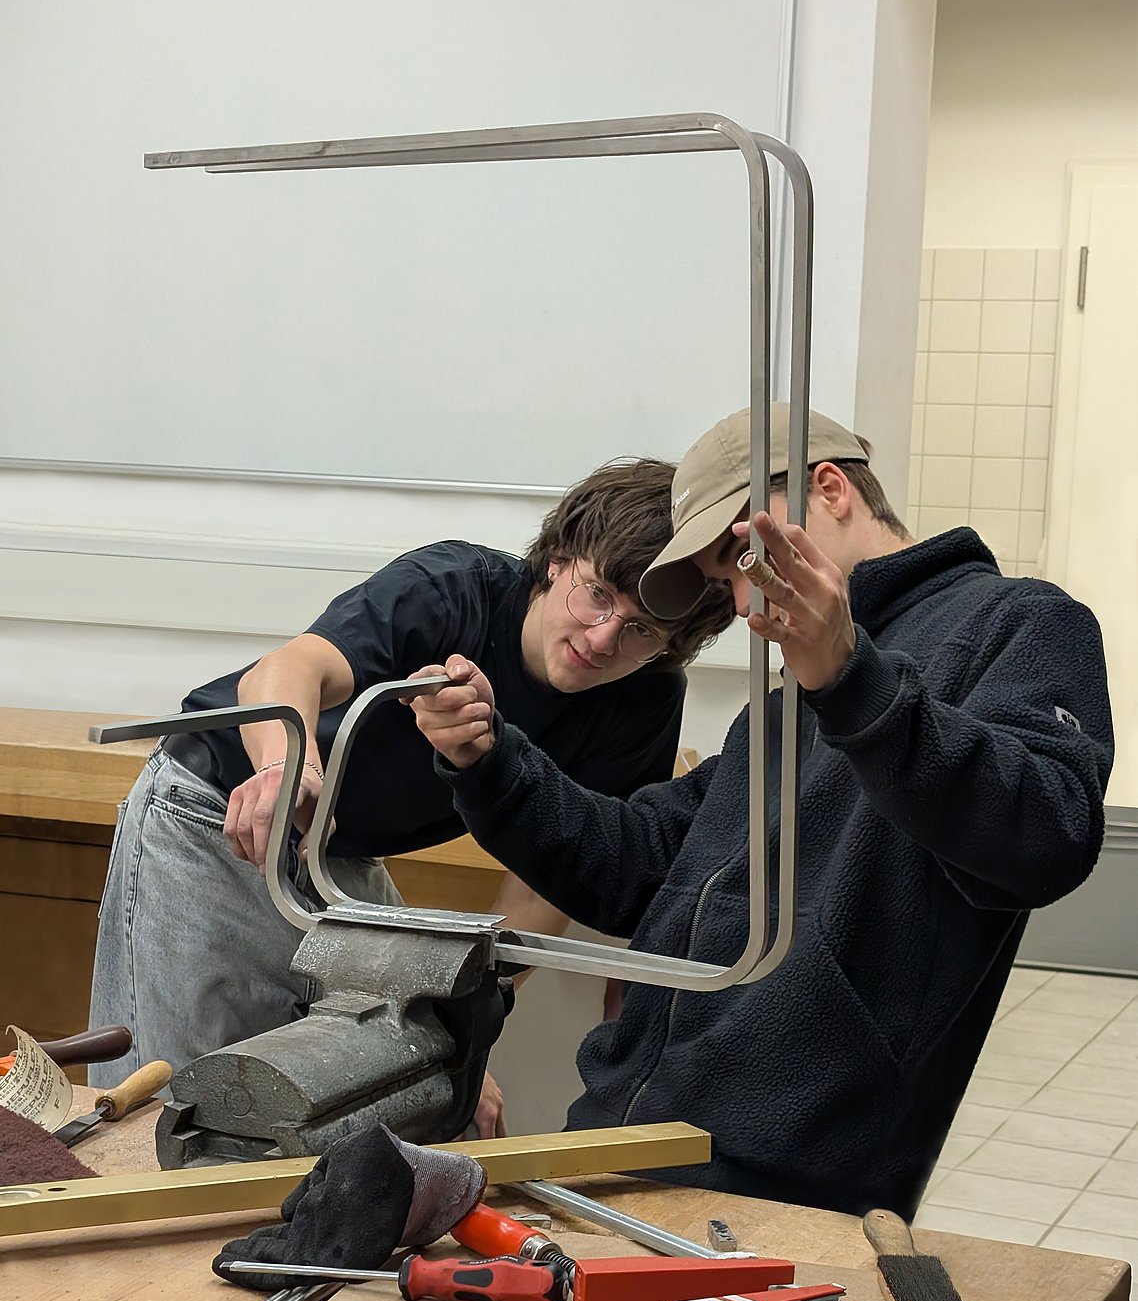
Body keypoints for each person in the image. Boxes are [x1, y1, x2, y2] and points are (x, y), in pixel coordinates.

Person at [409, 404, 1114, 1217]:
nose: (745, 604)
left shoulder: (1021, 625)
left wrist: (851, 680)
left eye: (744, 556)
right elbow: (639, 863)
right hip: (619, 1140)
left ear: (831, 489)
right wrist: (489, 759)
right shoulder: (786, 705)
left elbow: (1047, 836)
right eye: (726, 582)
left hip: (787, 1177)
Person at [87, 457, 735, 1134]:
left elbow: (551, 881)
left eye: (641, 630)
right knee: (178, 1109)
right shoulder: (453, 587)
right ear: (558, 560)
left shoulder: (645, 696)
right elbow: (288, 669)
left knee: (419, 1087)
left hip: (337, 858)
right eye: (596, 594)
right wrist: (286, 769)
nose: (602, 639)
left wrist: (461, 1017)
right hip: (214, 813)